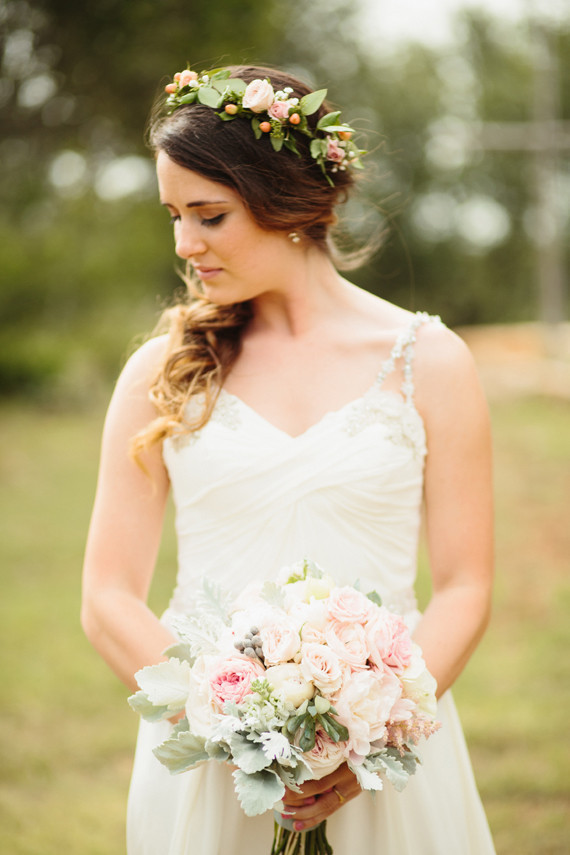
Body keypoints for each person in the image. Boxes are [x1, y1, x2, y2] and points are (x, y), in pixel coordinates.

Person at [81, 63, 496, 854]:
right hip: (208, 765)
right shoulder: (162, 370)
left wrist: (376, 727)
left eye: (209, 215)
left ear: (290, 204)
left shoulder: (429, 361)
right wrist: (229, 721)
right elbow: (106, 596)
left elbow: (467, 585)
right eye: (173, 215)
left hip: (391, 757)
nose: (183, 243)